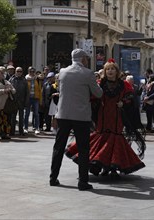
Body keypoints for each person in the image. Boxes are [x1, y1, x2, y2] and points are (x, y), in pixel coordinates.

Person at [65, 58, 145, 179]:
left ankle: (113, 167)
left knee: (115, 138)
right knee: (102, 138)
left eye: (112, 69)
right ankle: (103, 166)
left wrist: (123, 102)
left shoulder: (124, 85)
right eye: (108, 69)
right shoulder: (100, 83)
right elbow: (92, 96)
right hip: (103, 116)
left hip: (117, 116)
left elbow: (130, 98)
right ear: (105, 71)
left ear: (117, 71)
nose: (110, 71)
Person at [49, 49, 103, 191]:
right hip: (81, 116)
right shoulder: (87, 73)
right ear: (82, 59)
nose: (87, 60)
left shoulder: (62, 72)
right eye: (86, 58)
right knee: (84, 149)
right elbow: (98, 93)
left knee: (58, 147)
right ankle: (83, 182)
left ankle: (53, 177)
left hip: (63, 115)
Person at [0, 67, 16, 140]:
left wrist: (10, 89)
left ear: (2, 75)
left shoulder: (7, 82)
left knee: (6, 121)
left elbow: (14, 90)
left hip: (6, 105)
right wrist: (3, 91)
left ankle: (5, 134)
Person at [9, 67, 29, 136]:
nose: (19, 72)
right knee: (13, 117)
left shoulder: (24, 80)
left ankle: (21, 131)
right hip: (13, 101)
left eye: (20, 71)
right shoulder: (11, 79)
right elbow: (9, 90)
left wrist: (26, 102)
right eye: (17, 71)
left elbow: (27, 92)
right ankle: (12, 131)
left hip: (21, 101)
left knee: (21, 117)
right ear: (15, 72)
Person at [24, 66, 42, 135]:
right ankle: (25, 128)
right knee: (27, 114)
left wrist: (40, 99)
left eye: (33, 71)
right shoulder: (26, 79)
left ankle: (37, 128)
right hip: (28, 98)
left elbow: (40, 89)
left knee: (36, 114)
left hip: (35, 98)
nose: (32, 73)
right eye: (30, 71)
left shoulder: (37, 79)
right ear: (28, 72)